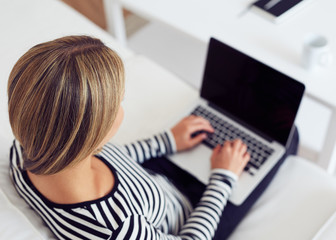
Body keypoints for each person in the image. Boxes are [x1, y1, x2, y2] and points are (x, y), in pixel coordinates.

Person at [8, 35, 254, 239]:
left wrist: (167, 140)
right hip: (191, 220)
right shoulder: (118, 229)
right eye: (119, 102)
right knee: (290, 138)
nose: (122, 108)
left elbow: (116, 161)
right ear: (89, 132)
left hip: (150, 186)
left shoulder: (27, 148)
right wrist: (223, 178)